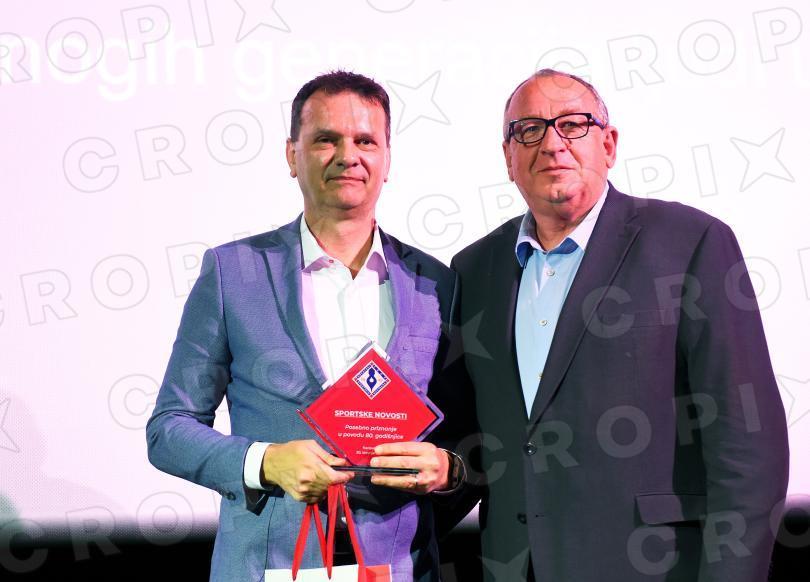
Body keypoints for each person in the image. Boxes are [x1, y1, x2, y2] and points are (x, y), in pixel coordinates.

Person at [450, 69, 789, 581]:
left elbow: (747, 439)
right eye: (530, 130)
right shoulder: (474, 270)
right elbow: (474, 436)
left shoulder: (691, 243)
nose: (552, 144)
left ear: (608, 144)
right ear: (508, 157)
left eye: (573, 124)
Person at [146, 71, 469, 582]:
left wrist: (448, 467)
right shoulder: (233, 273)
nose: (348, 156)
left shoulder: (436, 284)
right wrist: (263, 461)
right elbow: (168, 429)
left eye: (366, 141)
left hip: (401, 568)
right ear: (292, 155)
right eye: (325, 139)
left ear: (387, 159)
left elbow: (468, 432)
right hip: (264, 568)